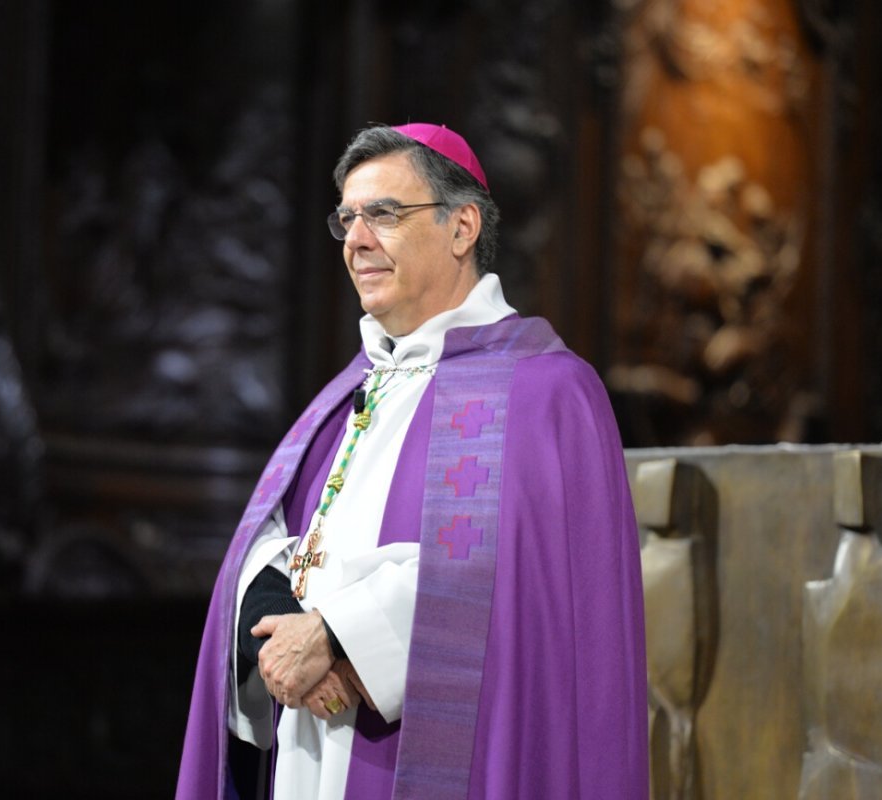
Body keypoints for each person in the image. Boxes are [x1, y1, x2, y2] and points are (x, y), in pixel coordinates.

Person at [177, 122, 648, 799]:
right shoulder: (354, 388)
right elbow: (278, 535)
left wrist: (339, 637)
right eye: (348, 218)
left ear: (462, 228)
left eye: (385, 215)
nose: (358, 241)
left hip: (429, 753)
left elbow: (518, 578)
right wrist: (279, 631)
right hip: (309, 746)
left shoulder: (546, 391)